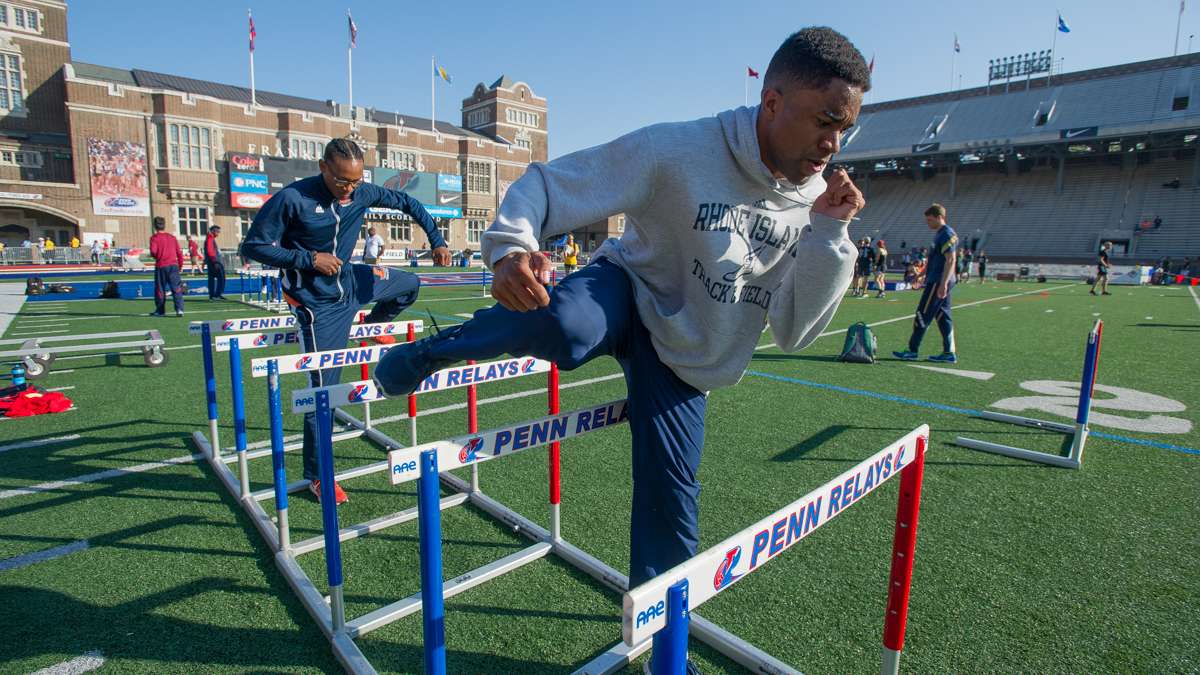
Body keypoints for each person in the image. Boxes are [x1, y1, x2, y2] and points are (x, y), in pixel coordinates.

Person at [374, 27, 867, 591]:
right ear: (773, 102)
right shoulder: (676, 148)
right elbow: (549, 182)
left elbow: (794, 332)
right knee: (564, 325)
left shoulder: (821, 204)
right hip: (625, 289)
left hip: (686, 354)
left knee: (672, 501)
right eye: (825, 121)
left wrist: (829, 234)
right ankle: (429, 352)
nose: (833, 145)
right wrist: (511, 248)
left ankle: (663, 645)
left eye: (845, 129)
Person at [242, 138, 451, 505]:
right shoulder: (293, 199)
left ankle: (371, 327)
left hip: (352, 281)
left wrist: (437, 240)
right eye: (342, 181)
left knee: (409, 285)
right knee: (323, 395)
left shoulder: (362, 192)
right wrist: (309, 259)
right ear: (323, 167)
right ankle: (318, 475)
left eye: (356, 182)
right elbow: (254, 247)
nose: (349, 190)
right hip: (316, 302)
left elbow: (410, 203)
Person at [893, 203, 957, 363]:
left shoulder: (947, 234)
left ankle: (912, 350)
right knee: (943, 316)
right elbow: (933, 259)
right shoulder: (939, 234)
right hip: (937, 279)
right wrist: (921, 275)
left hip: (939, 281)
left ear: (939, 217)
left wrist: (943, 284)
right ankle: (949, 353)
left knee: (923, 314)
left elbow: (951, 260)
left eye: (930, 220)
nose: (927, 223)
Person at [148, 216, 185, 317]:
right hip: (173, 266)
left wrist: (157, 255)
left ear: (155, 226)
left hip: (161, 266)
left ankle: (160, 310)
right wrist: (180, 265)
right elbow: (179, 253)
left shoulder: (154, 238)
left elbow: (153, 252)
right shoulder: (172, 238)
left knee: (160, 289)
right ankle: (179, 309)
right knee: (176, 288)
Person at [204, 225, 226, 300]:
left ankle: (212, 295)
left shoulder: (209, 238)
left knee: (211, 278)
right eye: (218, 232)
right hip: (214, 261)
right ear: (213, 231)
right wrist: (215, 261)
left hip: (211, 261)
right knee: (221, 277)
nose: (218, 234)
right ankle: (218, 294)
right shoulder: (210, 238)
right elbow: (210, 251)